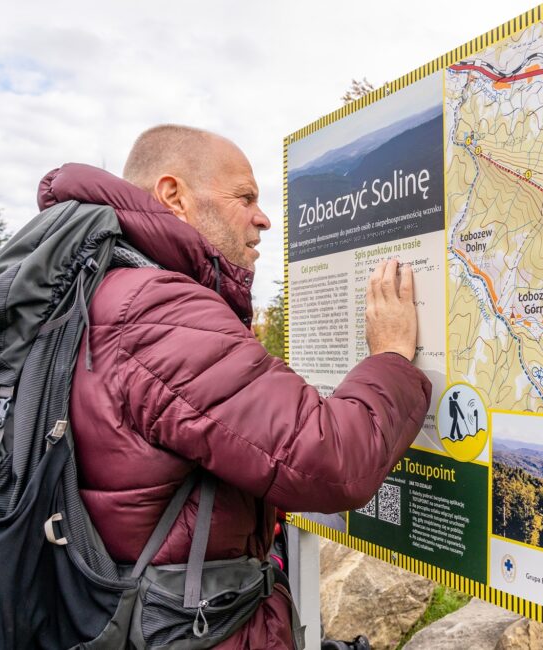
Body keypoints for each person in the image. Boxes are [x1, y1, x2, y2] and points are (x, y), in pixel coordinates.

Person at [38, 125, 431, 648]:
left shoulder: (104, 287)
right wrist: (391, 356)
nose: (263, 218)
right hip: (194, 627)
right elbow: (330, 459)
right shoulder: (157, 310)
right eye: (244, 198)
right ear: (173, 195)